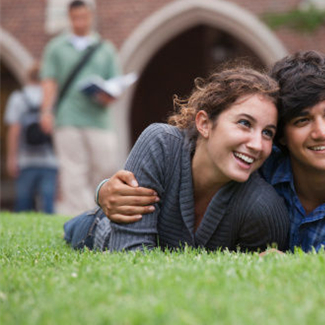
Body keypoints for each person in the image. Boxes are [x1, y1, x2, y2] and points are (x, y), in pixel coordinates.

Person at [97, 50, 325, 253]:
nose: (322, 131)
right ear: (283, 138)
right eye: (303, 119)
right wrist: (104, 192)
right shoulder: (262, 161)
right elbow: (191, 158)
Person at [63, 67, 289, 252]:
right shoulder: (161, 144)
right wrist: (101, 190)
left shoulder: (262, 207)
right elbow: (129, 256)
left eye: (267, 132)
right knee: (77, 227)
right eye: (244, 123)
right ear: (204, 124)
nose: (257, 144)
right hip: (97, 228)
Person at [39, 0, 120, 215]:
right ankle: (80, 216)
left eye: (83, 17)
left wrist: (106, 95)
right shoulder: (56, 47)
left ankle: (98, 210)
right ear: (69, 18)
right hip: (67, 117)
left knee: (104, 165)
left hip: (99, 119)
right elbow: (49, 81)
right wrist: (46, 111)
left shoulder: (105, 48)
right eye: (75, 18)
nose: (80, 22)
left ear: (91, 16)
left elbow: (115, 85)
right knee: (73, 168)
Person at [4, 63, 58, 213]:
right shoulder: (51, 98)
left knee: (23, 202)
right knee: (48, 203)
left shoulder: (18, 98)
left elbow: (14, 130)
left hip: (25, 160)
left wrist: (11, 158)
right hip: (50, 160)